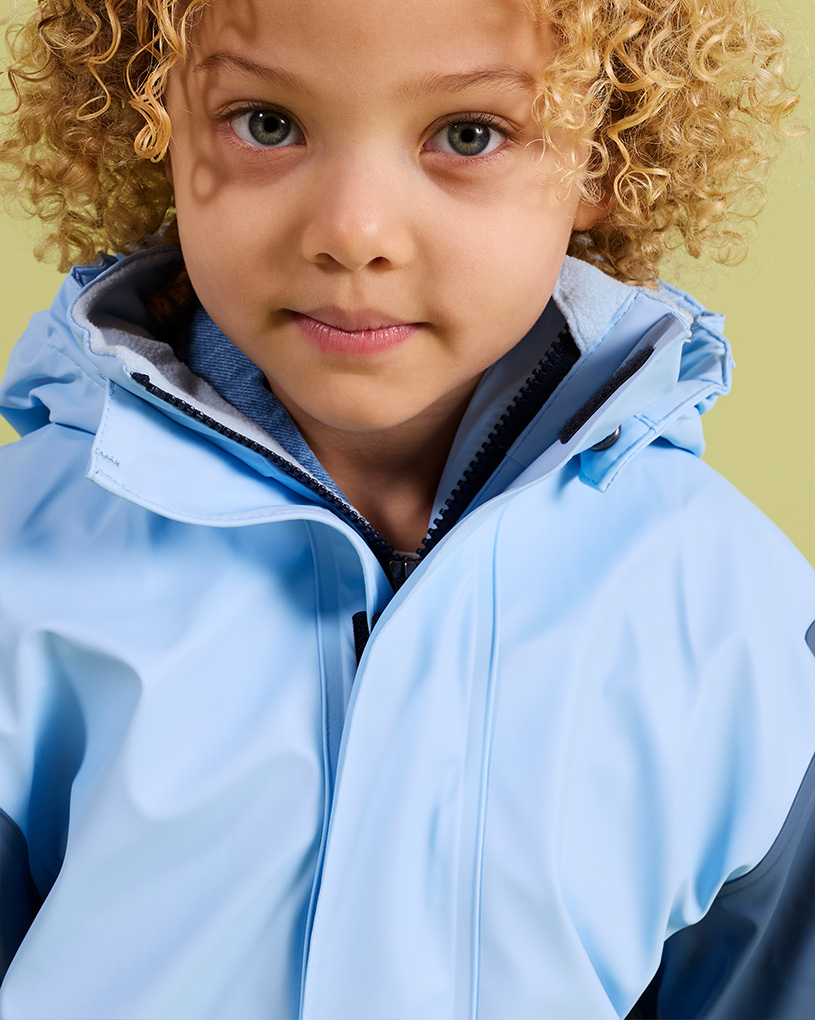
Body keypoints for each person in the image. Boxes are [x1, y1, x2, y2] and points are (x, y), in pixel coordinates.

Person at [0, 0, 813, 1016]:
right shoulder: (26, 572)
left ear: (601, 151)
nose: (354, 234)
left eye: (467, 135)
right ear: (151, 119)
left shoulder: (729, 615)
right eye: (265, 123)